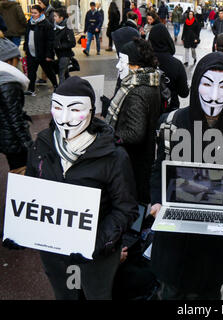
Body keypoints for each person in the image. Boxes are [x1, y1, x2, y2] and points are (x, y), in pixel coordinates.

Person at [1, 76, 139, 300]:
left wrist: (97, 244)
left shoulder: (113, 156)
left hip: (97, 257)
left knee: (96, 295)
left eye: (75, 110)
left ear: (91, 111)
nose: (64, 119)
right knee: (65, 295)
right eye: (57, 107)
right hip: (54, 254)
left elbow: (126, 208)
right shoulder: (42, 145)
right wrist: (19, 231)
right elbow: (33, 193)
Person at [149, 51, 223, 300]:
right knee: (168, 291)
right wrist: (157, 200)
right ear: (196, 83)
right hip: (172, 241)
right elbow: (158, 167)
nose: (214, 95)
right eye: (207, 83)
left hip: (215, 245)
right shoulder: (170, 123)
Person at [103, 39, 161, 205]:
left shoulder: (136, 92)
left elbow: (135, 133)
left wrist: (110, 135)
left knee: (132, 200)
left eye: (122, 61)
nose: (118, 66)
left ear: (135, 65)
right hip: (144, 159)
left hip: (132, 161)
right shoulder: (149, 81)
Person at [0, 37, 32, 174]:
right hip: (12, 139)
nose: (18, 62)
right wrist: (28, 144)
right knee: (21, 170)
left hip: (5, 135)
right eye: (16, 58)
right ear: (8, 60)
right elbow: (15, 118)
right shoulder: (8, 83)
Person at [149, 19, 188, 113]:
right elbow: (184, 93)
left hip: (147, 110)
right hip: (169, 111)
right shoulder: (176, 64)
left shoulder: (143, 60)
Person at [23, 4, 58, 96]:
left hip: (43, 54)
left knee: (48, 71)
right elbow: (27, 37)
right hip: (31, 53)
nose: (33, 15)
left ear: (41, 13)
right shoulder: (29, 23)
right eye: (32, 13)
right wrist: (26, 48)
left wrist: (49, 55)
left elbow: (51, 41)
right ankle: (31, 90)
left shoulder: (46, 24)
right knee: (31, 72)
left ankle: (56, 86)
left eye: (35, 13)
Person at [53, 7, 75, 86]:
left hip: (65, 55)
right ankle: (73, 87)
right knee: (66, 74)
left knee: (61, 73)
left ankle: (61, 91)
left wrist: (59, 46)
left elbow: (73, 43)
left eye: (55, 16)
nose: (54, 18)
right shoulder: (56, 26)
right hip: (59, 54)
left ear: (61, 18)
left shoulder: (67, 27)